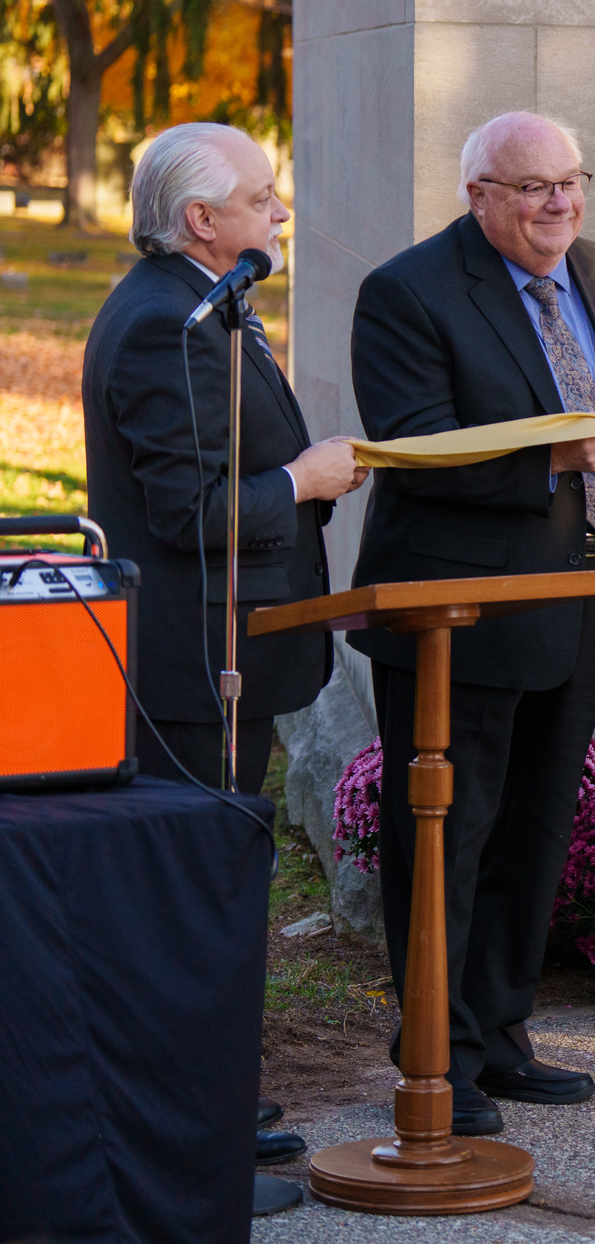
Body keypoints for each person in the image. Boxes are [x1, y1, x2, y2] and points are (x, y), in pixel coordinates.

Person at [348, 111, 595, 1136]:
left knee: (537, 832)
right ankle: (439, 1054)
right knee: (448, 837)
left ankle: (504, 1034)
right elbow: (414, 446)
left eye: (571, 181)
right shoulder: (407, 292)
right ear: (478, 193)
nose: (558, 204)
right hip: (459, 615)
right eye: (532, 187)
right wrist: (551, 463)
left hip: (583, 601)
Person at [83, 122, 369, 1174]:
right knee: (191, 898)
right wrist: (306, 482)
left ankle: (209, 1092)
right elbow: (190, 510)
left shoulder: (205, 304)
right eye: (261, 196)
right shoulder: (169, 322)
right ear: (203, 222)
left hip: (227, 656)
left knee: (212, 891)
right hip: (195, 669)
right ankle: (189, 1115)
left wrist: (307, 472)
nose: (280, 211)